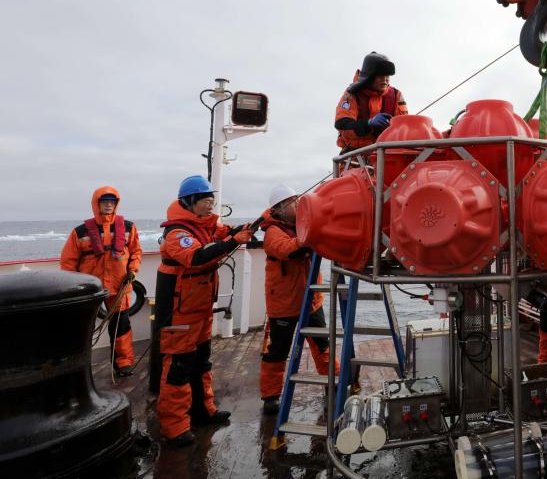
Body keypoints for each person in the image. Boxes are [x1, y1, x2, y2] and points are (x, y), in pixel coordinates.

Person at [155, 175, 254, 447]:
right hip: (179, 311)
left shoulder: (207, 225)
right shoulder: (177, 234)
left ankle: (203, 410)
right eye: (205, 200)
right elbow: (197, 257)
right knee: (178, 366)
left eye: (212, 199)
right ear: (189, 202)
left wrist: (248, 227)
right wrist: (234, 241)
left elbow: (225, 233)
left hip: (199, 308)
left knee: (202, 361)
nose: (210, 204)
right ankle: (174, 426)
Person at [258, 185, 336, 415]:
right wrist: (311, 236)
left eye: (299, 199)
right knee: (278, 351)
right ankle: (271, 396)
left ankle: (332, 383)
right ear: (280, 208)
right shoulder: (273, 232)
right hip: (284, 304)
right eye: (293, 201)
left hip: (311, 301)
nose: (299, 203)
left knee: (323, 345)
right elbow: (288, 250)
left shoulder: (301, 226)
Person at [60, 186, 142, 378]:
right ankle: (79, 365)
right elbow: (68, 262)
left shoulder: (128, 227)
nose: (108, 205)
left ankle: (123, 363)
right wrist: (74, 287)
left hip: (120, 285)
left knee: (121, 326)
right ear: (96, 204)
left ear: (116, 204)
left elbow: (136, 252)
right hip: (90, 288)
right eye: (104, 202)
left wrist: (132, 270)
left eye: (112, 202)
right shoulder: (80, 232)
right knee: (84, 327)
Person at [334, 51, 408, 153]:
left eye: (387, 75)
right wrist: (368, 123)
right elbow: (342, 125)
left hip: (387, 156)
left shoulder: (396, 95)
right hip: (355, 156)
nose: (385, 79)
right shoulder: (352, 94)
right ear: (369, 76)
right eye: (380, 75)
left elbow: (404, 125)